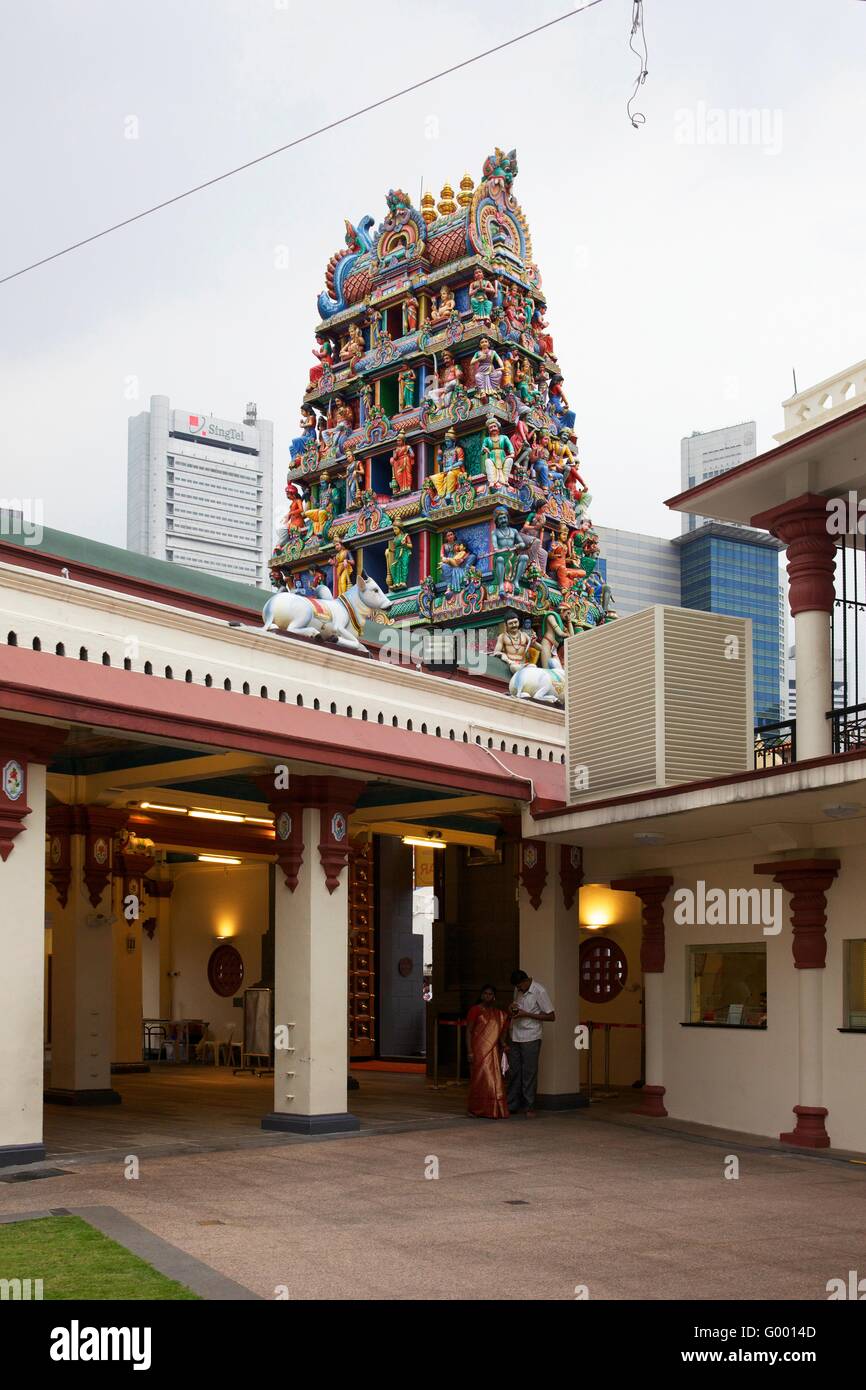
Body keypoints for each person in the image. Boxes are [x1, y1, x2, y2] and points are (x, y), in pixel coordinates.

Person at [507, 969, 555, 1117]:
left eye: (520, 986)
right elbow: (516, 1006)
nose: (518, 989)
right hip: (515, 1034)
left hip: (531, 1036)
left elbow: (551, 1016)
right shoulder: (518, 990)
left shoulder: (539, 991)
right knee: (514, 1071)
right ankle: (512, 1104)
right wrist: (512, 1009)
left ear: (526, 981)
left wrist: (526, 1014)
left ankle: (529, 1106)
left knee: (529, 1072)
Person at [466, 984, 511, 1119]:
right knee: (479, 1080)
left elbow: (503, 1029)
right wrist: (469, 1051)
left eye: (490, 994)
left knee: (494, 1080)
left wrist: (503, 1043)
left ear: (494, 996)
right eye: (485, 993)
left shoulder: (499, 1014)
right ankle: (476, 1109)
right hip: (478, 1050)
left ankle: (493, 1109)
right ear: (481, 995)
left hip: (492, 1051)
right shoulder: (475, 1010)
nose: (487, 996)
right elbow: (468, 1031)